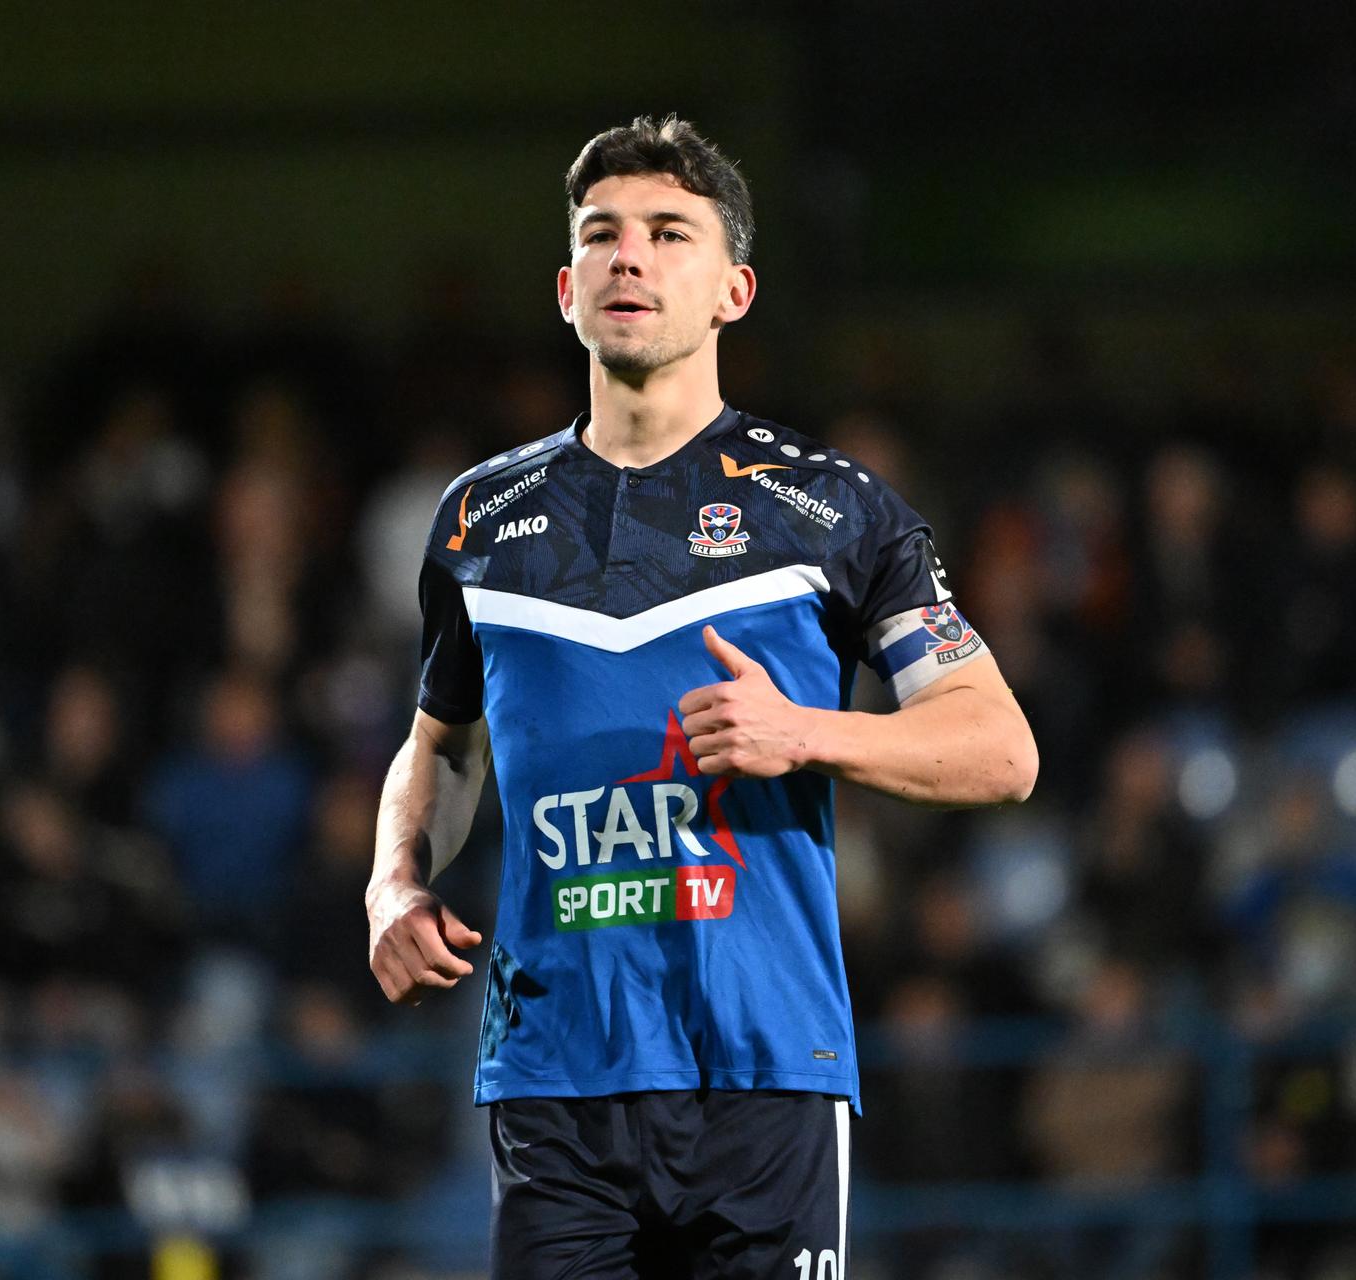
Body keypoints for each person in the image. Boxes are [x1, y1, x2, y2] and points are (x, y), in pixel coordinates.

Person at [365, 115, 1038, 1278]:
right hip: (553, 1078)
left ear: (734, 288)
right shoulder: (478, 520)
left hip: (762, 1074)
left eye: (670, 233)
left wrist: (804, 731)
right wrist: (393, 880)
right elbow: (446, 746)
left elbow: (1001, 746)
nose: (632, 256)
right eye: (604, 235)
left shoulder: (832, 510)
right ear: (567, 287)